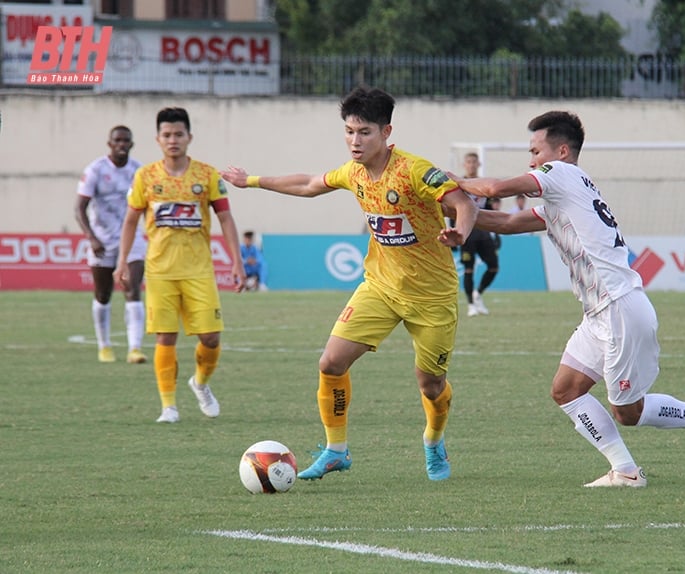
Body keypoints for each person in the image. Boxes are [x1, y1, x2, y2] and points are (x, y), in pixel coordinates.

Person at [440, 110, 685, 487]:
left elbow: (498, 189)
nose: (531, 160)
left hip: (619, 306)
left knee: (627, 411)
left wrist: (454, 181)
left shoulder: (562, 174)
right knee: (565, 390)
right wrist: (450, 206)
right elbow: (507, 222)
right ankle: (626, 471)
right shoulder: (565, 196)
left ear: (562, 151)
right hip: (599, 313)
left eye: (536, 151)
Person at [221, 86, 478, 481]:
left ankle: (433, 439)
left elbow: (463, 202)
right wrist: (251, 180)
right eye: (349, 131)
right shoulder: (352, 172)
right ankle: (336, 450)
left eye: (364, 132)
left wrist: (459, 233)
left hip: (432, 296)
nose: (354, 141)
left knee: (430, 384)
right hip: (379, 287)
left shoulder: (414, 170)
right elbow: (308, 184)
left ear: (386, 132)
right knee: (331, 362)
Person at [114, 107, 246, 424]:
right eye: (167, 135)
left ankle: (200, 383)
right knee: (165, 338)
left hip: (199, 269)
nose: (173, 140)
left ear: (189, 137)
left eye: (178, 134)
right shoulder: (145, 176)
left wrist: (237, 262)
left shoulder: (207, 175)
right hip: (160, 271)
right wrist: (121, 261)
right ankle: (169, 407)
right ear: (158, 139)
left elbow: (225, 218)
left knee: (211, 338)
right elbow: (131, 220)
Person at [75, 125, 147, 364]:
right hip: (102, 241)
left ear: (131, 144)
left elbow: (148, 205)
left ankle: (135, 349)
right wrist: (91, 237)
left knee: (132, 288)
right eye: (117, 140)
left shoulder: (139, 171)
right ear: (110, 144)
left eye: (126, 141)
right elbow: (79, 208)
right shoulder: (96, 170)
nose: (122, 145)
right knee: (103, 293)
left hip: (132, 239)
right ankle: (104, 346)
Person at [456, 152, 500, 317]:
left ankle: (478, 293)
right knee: (469, 269)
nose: (471, 165)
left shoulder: (482, 184)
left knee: (494, 267)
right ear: (464, 165)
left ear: (479, 164)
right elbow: (453, 208)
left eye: (474, 162)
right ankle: (470, 305)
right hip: (466, 232)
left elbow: (490, 208)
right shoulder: (459, 184)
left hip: (483, 231)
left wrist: (495, 233)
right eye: (468, 162)